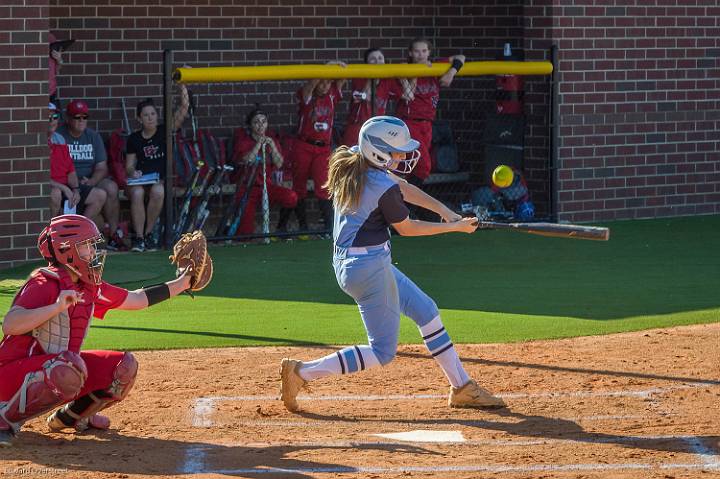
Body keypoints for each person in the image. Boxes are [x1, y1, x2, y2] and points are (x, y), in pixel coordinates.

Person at [279, 116, 505, 412]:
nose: (402, 156)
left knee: (426, 310)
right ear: (378, 151)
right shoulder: (379, 185)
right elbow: (408, 227)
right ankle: (301, 373)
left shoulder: (359, 162)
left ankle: (462, 387)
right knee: (382, 351)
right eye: (397, 151)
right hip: (367, 268)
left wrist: (446, 212)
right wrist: (455, 228)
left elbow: (405, 189)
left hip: (362, 263)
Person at [0, 214, 192, 447]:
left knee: (123, 367)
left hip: (48, 369)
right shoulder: (44, 282)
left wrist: (184, 282)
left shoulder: (87, 287)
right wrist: (56, 306)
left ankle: (71, 418)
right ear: (66, 251)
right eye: (86, 246)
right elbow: (11, 323)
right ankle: (3, 420)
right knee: (67, 367)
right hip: (9, 376)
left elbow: (137, 299)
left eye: (92, 245)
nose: (93, 252)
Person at [282, 63, 346, 234]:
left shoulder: (332, 95)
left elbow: (342, 78)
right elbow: (310, 86)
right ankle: (303, 227)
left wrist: (335, 65)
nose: (325, 85)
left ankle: (329, 228)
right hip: (304, 145)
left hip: (323, 148)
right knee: (299, 185)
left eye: (328, 82)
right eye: (321, 82)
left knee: (324, 185)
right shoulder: (307, 94)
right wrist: (326, 67)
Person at [125, 87, 189, 252]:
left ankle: (148, 234)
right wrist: (133, 172)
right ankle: (138, 239)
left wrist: (181, 86)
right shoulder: (134, 138)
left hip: (159, 179)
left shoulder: (164, 131)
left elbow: (184, 108)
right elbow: (129, 165)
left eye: (153, 114)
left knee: (158, 192)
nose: (150, 118)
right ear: (139, 119)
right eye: (146, 115)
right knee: (137, 193)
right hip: (141, 178)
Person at [395, 38, 465, 186]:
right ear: (410, 53)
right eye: (416, 51)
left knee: (413, 166)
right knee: (424, 167)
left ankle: (401, 202)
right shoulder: (406, 68)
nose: (420, 55)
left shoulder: (435, 67)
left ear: (429, 52)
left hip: (427, 124)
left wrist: (451, 72)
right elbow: (408, 93)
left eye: (424, 51)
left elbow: (461, 57)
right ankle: (407, 203)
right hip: (409, 122)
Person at [57, 100, 124, 250]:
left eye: (84, 117)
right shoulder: (60, 136)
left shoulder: (93, 136)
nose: (81, 121)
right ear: (68, 118)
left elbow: (101, 167)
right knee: (98, 195)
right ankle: (78, 236)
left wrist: (92, 181)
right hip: (68, 181)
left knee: (112, 188)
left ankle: (113, 235)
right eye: (77, 117)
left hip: (89, 180)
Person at [230, 108, 298, 236]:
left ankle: (280, 228)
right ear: (250, 125)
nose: (261, 125)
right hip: (247, 189)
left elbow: (279, 163)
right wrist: (258, 145)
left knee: (291, 197)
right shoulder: (243, 141)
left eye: (263, 122)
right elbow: (247, 160)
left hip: (267, 186)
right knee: (245, 234)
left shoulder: (271, 141)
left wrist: (272, 146)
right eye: (256, 122)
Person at [49, 102, 105, 219]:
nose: (52, 120)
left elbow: (70, 169)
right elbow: (38, 176)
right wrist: (64, 188)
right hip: (52, 187)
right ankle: (51, 233)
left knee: (100, 195)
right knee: (56, 193)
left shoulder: (59, 139)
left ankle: (79, 233)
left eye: (55, 117)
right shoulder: (36, 141)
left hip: (67, 186)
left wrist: (75, 189)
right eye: (48, 117)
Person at [341, 47, 401, 147]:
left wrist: (401, 75)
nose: (377, 61)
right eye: (373, 59)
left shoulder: (387, 81)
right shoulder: (360, 79)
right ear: (366, 63)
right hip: (357, 127)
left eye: (380, 58)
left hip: (378, 129)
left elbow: (408, 96)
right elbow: (364, 96)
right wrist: (371, 76)